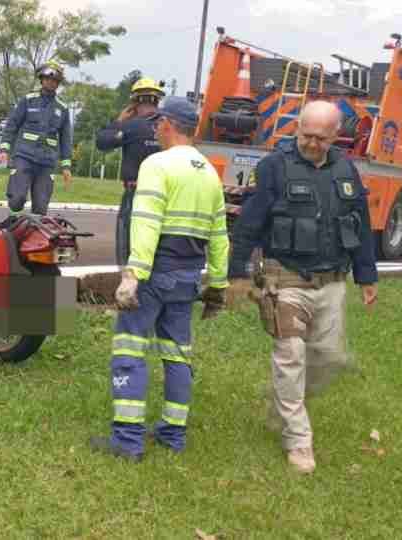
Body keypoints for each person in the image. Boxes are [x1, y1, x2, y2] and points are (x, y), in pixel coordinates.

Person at [228, 100, 378, 474]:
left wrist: (367, 276)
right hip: (285, 278)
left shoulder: (347, 170)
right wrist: (237, 272)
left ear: (335, 136)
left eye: (320, 138)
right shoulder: (275, 168)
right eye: (305, 135)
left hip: (331, 282)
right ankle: (299, 440)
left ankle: (283, 402)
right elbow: (251, 221)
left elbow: (359, 225)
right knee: (291, 354)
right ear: (297, 129)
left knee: (327, 358)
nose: (311, 143)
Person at [88, 96, 230, 462]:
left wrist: (133, 274)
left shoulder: (157, 165)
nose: (154, 127)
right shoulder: (209, 171)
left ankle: (127, 440)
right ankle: (172, 433)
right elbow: (219, 235)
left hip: (154, 274)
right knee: (177, 355)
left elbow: (147, 222)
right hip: (187, 278)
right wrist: (217, 285)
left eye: (157, 122)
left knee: (129, 351)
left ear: (167, 123)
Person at [96, 77, 165, 266]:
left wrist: (119, 122)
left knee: (128, 245)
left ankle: (128, 282)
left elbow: (102, 142)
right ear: (157, 101)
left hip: (136, 195)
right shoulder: (169, 127)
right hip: (165, 196)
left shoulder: (131, 126)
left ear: (135, 102)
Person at [0, 61, 73, 216]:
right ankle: (14, 216)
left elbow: (65, 139)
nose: (50, 82)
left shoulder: (62, 109)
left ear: (58, 83)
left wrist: (66, 166)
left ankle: (33, 237)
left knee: (40, 207)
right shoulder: (28, 100)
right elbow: (12, 125)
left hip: (46, 162)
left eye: (54, 80)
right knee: (17, 200)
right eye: (47, 78)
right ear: (41, 79)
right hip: (24, 157)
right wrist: (4, 149)